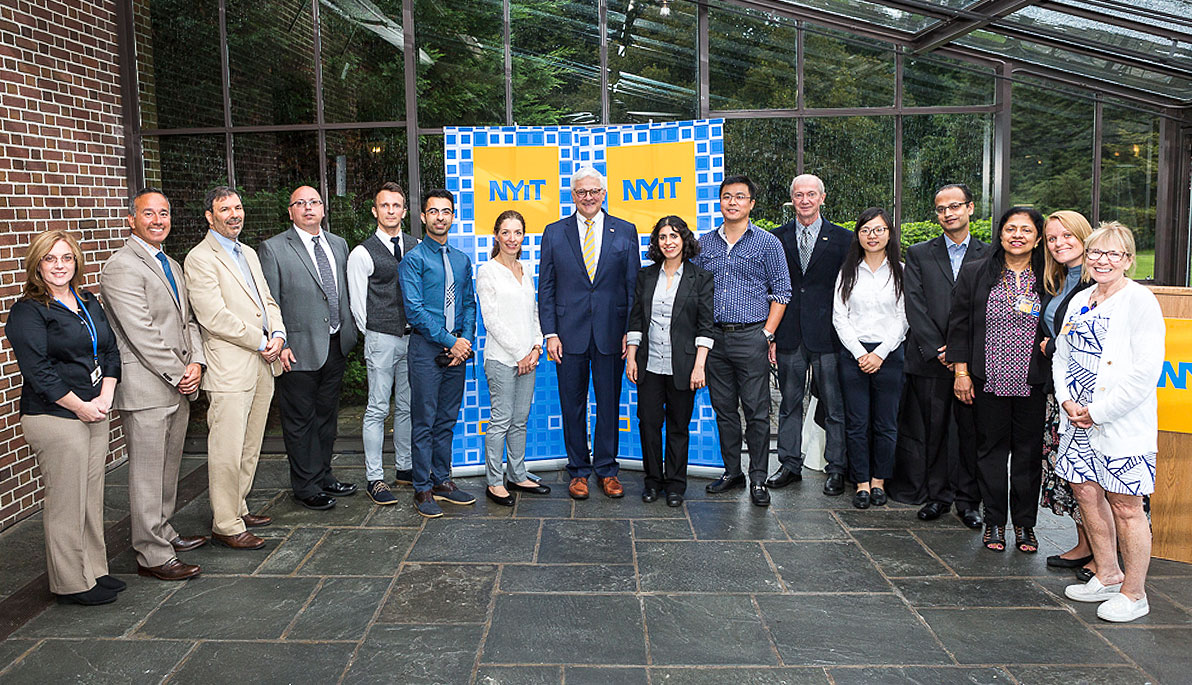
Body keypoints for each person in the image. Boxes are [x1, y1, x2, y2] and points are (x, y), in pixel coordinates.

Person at [7, 230, 121, 605]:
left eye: (66, 258)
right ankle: (72, 583)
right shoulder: (28, 310)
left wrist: (105, 395)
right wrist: (80, 406)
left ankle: (95, 570)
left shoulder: (87, 301)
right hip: (56, 417)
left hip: (95, 410)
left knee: (90, 498)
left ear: (76, 262)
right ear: (37, 265)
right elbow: (38, 371)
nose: (59, 266)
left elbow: (109, 351)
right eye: (50, 259)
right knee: (66, 502)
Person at [1059, 223, 1164, 623]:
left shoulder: (1140, 301)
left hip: (1118, 424)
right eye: (1095, 253)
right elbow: (1062, 356)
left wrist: (1097, 412)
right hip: (1076, 420)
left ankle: (1134, 594)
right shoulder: (1081, 299)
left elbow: (1145, 372)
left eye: (1112, 254)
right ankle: (1106, 574)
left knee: (1126, 506)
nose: (1102, 260)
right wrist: (1068, 399)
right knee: (1085, 493)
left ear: (1128, 260)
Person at [100, 188, 205, 582]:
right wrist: (179, 371)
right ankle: (151, 555)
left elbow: (188, 321)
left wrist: (196, 362)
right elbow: (140, 331)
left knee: (167, 469)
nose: (158, 220)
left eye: (164, 213)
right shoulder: (121, 267)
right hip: (147, 387)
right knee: (147, 473)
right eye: (149, 213)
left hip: (178, 381)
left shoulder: (170, 264)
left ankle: (164, 532)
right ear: (132, 220)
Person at [185, 186, 285, 550]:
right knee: (226, 448)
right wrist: (261, 342)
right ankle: (226, 523)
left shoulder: (248, 253)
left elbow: (267, 301)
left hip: (262, 362)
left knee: (249, 444)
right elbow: (214, 317)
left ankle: (238, 506)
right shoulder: (200, 258)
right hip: (230, 366)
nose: (234, 214)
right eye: (224, 209)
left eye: (238, 207)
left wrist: (277, 333)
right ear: (210, 217)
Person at [947, 207, 1049, 554]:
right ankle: (994, 521)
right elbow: (958, 326)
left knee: (1027, 455)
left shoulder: (1050, 277)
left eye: (1026, 230)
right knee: (989, 453)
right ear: (1000, 234)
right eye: (1010, 229)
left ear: (1037, 239)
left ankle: (1024, 525)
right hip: (986, 378)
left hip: (1032, 382)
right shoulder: (977, 273)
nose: (1017, 235)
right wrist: (961, 372)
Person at [889, 183, 989, 529]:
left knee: (970, 433)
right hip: (930, 360)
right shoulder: (918, 253)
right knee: (933, 430)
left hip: (975, 362)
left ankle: (968, 501)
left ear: (970, 208)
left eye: (955, 206)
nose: (948, 213)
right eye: (941, 208)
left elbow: (988, 309)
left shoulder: (989, 254)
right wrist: (940, 350)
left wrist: (963, 351)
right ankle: (937, 496)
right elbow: (914, 305)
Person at [538, 166, 640, 500]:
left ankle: (608, 470)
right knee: (573, 405)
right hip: (568, 336)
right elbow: (547, 289)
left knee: (609, 404)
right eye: (582, 192)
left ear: (604, 193)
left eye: (594, 191)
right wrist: (550, 333)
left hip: (612, 333)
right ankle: (579, 471)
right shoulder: (554, 233)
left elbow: (632, 288)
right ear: (572, 195)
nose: (588, 197)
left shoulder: (626, 231)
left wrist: (631, 332)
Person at [260, 185, 359, 511]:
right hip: (297, 349)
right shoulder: (274, 249)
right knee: (299, 420)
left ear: (323, 208)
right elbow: (269, 302)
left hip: (335, 344)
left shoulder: (338, 244)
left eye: (313, 202)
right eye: (300, 203)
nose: (308, 208)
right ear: (290, 212)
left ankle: (324, 475)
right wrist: (281, 342)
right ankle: (305, 486)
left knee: (327, 418)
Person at [694, 175, 791, 507]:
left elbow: (782, 292)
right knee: (724, 411)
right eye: (726, 197)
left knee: (757, 412)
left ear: (751, 203)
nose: (732, 202)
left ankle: (759, 478)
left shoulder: (768, 243)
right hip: (715, 340)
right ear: (719, 202)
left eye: (739, 197)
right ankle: (732, 471)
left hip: (752, 336)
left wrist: (766, 334)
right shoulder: (703, 243)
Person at [770, 174, 852, 496]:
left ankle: (836, 468)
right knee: (789, 403)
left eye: (811, 194)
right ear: (792, 199)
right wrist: (772, 335)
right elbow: (772, 288)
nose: (804, 200)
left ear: (822, 198)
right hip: (790, 334)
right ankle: (789, 464)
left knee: (834, 404)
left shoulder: (844, 239)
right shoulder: (776, 238)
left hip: (829, 335)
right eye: (798, 195)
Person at [625, 216, 715, 507]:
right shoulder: (646, 276)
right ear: (656, 242)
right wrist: (631, 356)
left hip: (684, 366)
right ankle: (652, 482)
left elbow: (705, 326)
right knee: (648, 425)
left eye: (674, 236)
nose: (668, 242)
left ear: (684, 239)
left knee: (678, 427)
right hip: (649, 364)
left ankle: (675, 485)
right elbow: (636, 318)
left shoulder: (700, 278)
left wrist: (700, 365)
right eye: (663, 237)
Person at [399, 188, 478, 518]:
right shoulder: (413, 260)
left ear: (452, 215)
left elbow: (470, 304)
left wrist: (465, 342)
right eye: (434, 212)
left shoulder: (461, 259)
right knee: (424, 421)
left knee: (447, 420)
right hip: (426, 350)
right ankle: (422, 488)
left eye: (446, 211)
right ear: (423, 217)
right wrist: (450, 340)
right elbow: (415, 311)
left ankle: (442, 480)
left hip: (456, 353)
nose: (440, 217)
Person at [347, 182, 420, 505]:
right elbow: (358, 305)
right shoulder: (362, 252)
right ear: (375, 211)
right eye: (384, 205)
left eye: (396, 205)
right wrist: (375, 333)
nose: (391, 211)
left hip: (413, 338)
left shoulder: (416, 245)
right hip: (381, 337)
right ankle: (375, 478)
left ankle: (404, 468)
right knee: (377, 408)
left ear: (404, 211)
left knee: (406, 407)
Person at [831, 208, 908, 509]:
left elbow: (904, 318)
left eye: (878, 230)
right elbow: (840, 317)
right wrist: (862, 353)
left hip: (889, 354)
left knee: (886, 423)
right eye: (865, 230)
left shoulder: (901, 270)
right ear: (858, 235)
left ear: (889, 233)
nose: (872, 236)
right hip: (854, 354)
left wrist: (880, 353)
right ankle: (861, 482)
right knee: (857, 422)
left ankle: (880, 481)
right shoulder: (847, 271)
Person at [476, 210, 549, 506]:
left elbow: (533, 312)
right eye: (505, 232)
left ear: (523, 236)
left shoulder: (526, 269)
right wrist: (520, 353)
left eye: (517, 232)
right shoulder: (487, 271)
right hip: (501, 359)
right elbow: (491, 320)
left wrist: (535, 347)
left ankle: (517, 475)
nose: (512, 238)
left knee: (520, 421)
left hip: (528, 359)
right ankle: (494, 482)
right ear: (496, 235)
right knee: (501, 421)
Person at [1037, 211, 1095, 575]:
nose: (1059, 243)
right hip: (1061, 393)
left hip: (1089, 397)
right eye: (1052, 238)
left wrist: (1049, 347)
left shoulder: (1097, 281)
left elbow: (1085, 339)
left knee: (1093, 478)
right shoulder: (1060, 280)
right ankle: (1085, 544)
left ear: (1084, 237)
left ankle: (1104, 554)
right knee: (1073, 474)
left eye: (1066, 236)